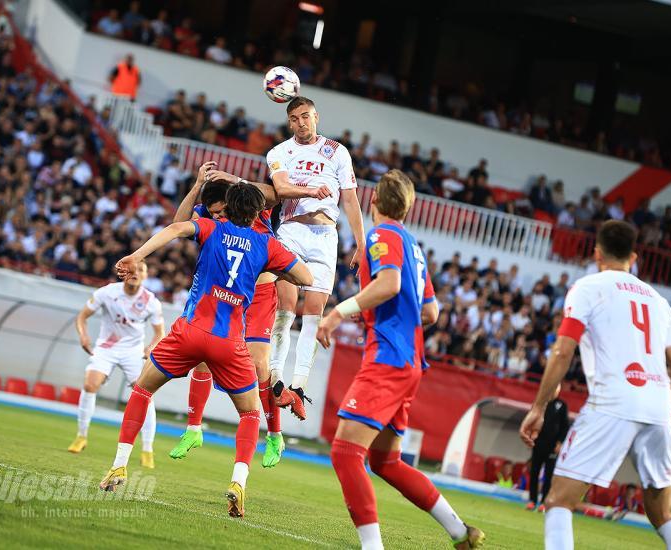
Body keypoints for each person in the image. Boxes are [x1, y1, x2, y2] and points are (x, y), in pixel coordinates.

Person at [98, 183, 312, 519]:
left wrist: (137, 256)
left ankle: (119, 466)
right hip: (230, 342)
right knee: (250, 414)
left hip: (191, 331)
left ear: (228, 207)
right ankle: (238, 482)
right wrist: (268, 264)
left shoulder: (212, 227)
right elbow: (304, 275)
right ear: (258, 214)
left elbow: (175, 228)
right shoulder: (267, 243)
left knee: (142, 389)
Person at [316, 170, 484, 550]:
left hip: (388, 359)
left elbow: (389, 284)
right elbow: (431, 312)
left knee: (345, 454)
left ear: (373, 200)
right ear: (409, 207)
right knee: (385, 462)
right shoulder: (414, 246)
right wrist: (384, 312)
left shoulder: (382, 235)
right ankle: (461, 532)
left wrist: (339, 312)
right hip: (410, 362)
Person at [519, 220, 671, 550]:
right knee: (662, 511)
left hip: (613, 402)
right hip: (658, 406)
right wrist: (668, 401)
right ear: (633, 257)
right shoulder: (659, 302)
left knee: (559, 500)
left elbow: (564, 349)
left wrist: (539, 407)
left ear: (597, 253)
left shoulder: (588, 287)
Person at [168, 159, 329, 466]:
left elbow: (275, 193)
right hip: (225, 295)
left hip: (258, 295)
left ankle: (274, 435)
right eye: (212, 212)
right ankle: (193, 428)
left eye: (218, 211)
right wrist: (198, 186)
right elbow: (178, 223)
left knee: (259, 366)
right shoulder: (213, 214)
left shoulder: (252, 204)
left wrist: (232, 179)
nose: (215, 216)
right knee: (203, 355)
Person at [268, 96, 365, 421]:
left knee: (313, 312)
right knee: (284, 308)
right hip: (292, 232)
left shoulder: (337, 152)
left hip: (325, 238)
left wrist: (361, 242)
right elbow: (280, 188)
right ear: (289, 122)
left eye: (305, 116)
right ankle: (275, 380)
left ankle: (297, 387)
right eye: (294, 119)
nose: (301, 123)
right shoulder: (279, 152)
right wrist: (310, 192)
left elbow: (350, 199)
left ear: (316, 117)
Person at [68, 260, 165, 469]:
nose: (136, 273)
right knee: (89, 385)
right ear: (125, 272)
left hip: (133, 352)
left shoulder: (151, 301)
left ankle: (147, 449)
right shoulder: (107, 292)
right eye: (133, 269)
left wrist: (151, 347)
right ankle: (81, 436)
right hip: (106, 348)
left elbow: (159, 334)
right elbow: (82, 316)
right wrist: (83, 335)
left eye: (141, 270)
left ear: (146, 276)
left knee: (146, 394)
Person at [526, 385, 569, 511]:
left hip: (552, 446)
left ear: (559, 390)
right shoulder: (540, 403)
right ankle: (532, 501)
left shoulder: (562, 405)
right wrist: (530, 435)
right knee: (534, 472)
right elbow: (531, 421)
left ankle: (544, 503)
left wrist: (560, 442)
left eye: (556, 388)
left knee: (548, 476)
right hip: (538, 444)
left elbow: (565, 426)